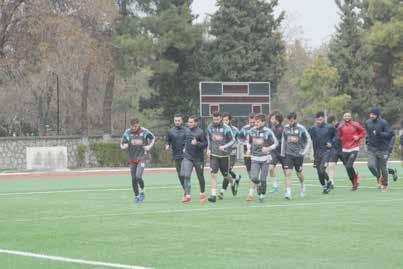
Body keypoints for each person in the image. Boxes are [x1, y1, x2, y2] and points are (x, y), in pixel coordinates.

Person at [120, 118, 155, 203]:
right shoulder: (127, 132)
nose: (134, 128)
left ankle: (142, 191)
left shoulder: (145, 131)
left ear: (139, 124)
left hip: (142, 157)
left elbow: (153, 138)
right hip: (132, 158)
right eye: (132, 127)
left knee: (138, 176)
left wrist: (149, 146)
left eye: (135, 126)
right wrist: (123, 146)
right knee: (133, 179)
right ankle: (136, 196)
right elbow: (122, 143)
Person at [246, 114, 278, 202]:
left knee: (263, 179)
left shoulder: (268, 131)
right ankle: (258, 184)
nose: (256, 123)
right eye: (255, 121)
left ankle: (262, 195)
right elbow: (248, 142)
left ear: (263, 122)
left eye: (258, 122)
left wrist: (268, 148)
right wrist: (248, 149)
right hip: (255, 158)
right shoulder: (251, 131)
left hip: (265, 159)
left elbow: (276, 143)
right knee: (254, 177)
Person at [207, 111, 237, 203]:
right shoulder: (210, 127)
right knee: (213, 174)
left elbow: (233, 140)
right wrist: (208, 149)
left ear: (220, 118)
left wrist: (224, 147)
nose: (216, 121)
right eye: (214, 119)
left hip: (224, 155)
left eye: (217, 119)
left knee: (225, 175)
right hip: (214, 155)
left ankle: (233, 182)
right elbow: (209, 138)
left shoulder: (226, 128)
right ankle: (213, 195)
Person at [281, 112, 312, 200]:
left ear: (295, 119)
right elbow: (283, 140)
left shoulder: (301, 128)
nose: (290, 122)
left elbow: (309, 140)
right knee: (288, 173)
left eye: (291, 120)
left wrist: (304, 152)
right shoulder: (285, 128)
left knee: (299, 173)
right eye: (288, 120)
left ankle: (302, 184)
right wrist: (282, 152)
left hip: (298, 155)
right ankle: (288, 192)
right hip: (288, 154)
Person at [365, 107, 393, 192]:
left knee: (383, 167)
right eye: (370, 114)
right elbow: (368, 133)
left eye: (373, 114)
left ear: (377, 115)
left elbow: (389, 134)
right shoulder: (367, 122)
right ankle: (379, 177)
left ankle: (385, 185)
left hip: (382, 148)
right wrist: (367, 140)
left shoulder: (383, 123)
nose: (371, 115)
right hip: (372, 148)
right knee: (370, 165)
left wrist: (380, 133)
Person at [180, 115, 208, 203]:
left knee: (200, 176)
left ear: (196, 123)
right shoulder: (186, 130)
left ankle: (202, 193)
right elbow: (185, 140)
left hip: (198, 159)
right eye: (188, 122)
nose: (189, 123)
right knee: (186, 175)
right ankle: (187, 195)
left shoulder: (200, 132)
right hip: (188, 157)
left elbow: (205, 144)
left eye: (191, 122)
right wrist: (184, 147)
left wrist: (197, 143)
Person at [309, 112, 337, 193]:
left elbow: (336, 135)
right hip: (317, 153)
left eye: (320, 119)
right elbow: (306, 137)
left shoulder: (330, 127)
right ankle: (325, 186)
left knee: (322, 169)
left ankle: (329, 182)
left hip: (327, 152)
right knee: (319, 172)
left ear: (323, 119)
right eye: (317, 120)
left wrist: (331, 142)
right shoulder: (313, 129)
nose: (319, 121)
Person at [218, 113, 241, 199]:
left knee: (226, 172)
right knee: (224, 171)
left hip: (231, 154)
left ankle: (222, 192)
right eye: (223, 120)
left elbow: (241, 139)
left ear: (230, 120)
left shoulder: (235, 130)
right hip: (222, 154)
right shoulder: (220, 129)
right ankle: (236, 177)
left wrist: (236, 145)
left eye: (226, 120)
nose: (225, 122)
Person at [165, 114, 187, 193]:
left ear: (182, 121)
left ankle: (187, 190)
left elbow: (190, 141)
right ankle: (185, 189)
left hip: (186, 156)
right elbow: (167, 141)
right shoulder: (170, 131)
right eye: (176, 121)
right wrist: (167, 145)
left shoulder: (186, 130)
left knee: (185, 174)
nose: (177, 122)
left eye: (179, 120)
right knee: (180, 175)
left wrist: (186, 147)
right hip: (176, 155)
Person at [239, 113, 256, 198]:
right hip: (247, 153)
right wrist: (244, 142)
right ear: (248, 120)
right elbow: (239, 137)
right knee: (249, 170)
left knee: (255, 169)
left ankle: (254, 185)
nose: (252, 124)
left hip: (257, 153)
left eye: (254, 122)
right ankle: (254, 182)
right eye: (251, 122)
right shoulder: (244, 128)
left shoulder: (258, 129)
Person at [268, 111, 285, 193]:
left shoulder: (283, 128)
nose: (271, 120)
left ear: (277, 119)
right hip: (274, 152)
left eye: (272, 118)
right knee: (271, 168)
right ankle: (275, 183)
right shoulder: (272, 128)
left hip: (282, 152)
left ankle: (287, 189)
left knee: (286, 171)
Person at [327, 115, 343, 186]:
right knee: (331, 165)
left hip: (343, 149)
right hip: (334, 150)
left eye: (331, 123)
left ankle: (354, 179)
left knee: (348, 166)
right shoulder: (330, 128)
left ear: (334, 121)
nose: (330, 125)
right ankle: (331, 182)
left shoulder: (341, 127)